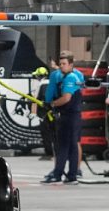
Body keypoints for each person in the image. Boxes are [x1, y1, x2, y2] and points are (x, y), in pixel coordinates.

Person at [41, 51, 84, 185]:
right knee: (70, 145)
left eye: (64, 64)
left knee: (63, 146)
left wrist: (51, 104)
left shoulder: (71, 77)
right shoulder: (63, 76)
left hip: (70, 116)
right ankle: (71, 175)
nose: (61, 66)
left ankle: (59, 174)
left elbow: (66, 98)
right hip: (68, 115)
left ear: (71, 64)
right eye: (60, 64)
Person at [29, 66, 52, 160]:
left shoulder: (40, 84)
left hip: (44, 114)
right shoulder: (52, 82)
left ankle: (49, 153)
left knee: (46, 133)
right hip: (55, 112)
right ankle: (57, 153)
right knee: (55, 134)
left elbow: (35, 100)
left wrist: (33, 113)